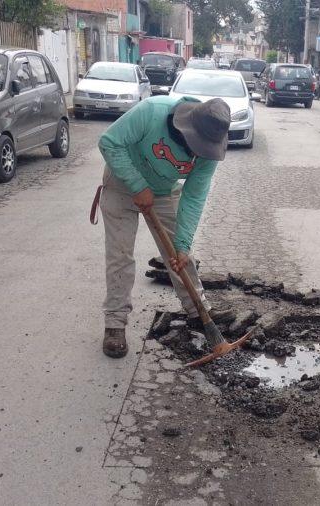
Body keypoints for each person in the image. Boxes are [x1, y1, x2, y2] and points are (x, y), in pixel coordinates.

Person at [96, 96, 236, 358]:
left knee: (180, 256)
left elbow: (194, 197)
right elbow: (109, 142)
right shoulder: (152, 112)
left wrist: (183, 245)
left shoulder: (209, 151)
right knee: (120, 255)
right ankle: (115, 323)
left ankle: (199, 311)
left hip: (162, 193)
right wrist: (138, 186)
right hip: (121, 186)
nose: (198, 152)